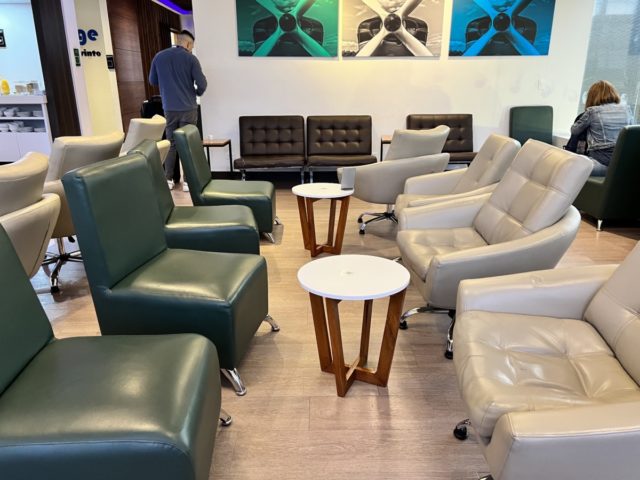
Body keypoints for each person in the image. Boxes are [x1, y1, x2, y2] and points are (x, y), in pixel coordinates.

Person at [149, 29, 207, 190]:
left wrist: (167, 83)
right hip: (188, 108)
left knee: (171, 143)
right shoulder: (191, 59)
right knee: (187, 143)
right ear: (188, 44)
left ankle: (168, 179)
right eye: (192, 46)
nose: (191, 49)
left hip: (169, 108)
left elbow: (152, 80)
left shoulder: (159, 57)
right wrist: (197, 92)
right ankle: (188, 181)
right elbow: (202, 83)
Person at [570, 80, 633, 176]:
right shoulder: (627, 110)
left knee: (566, 167)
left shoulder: (592, 112)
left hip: (601, 162)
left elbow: (574, 130)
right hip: (622, 164)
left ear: (591, 97)